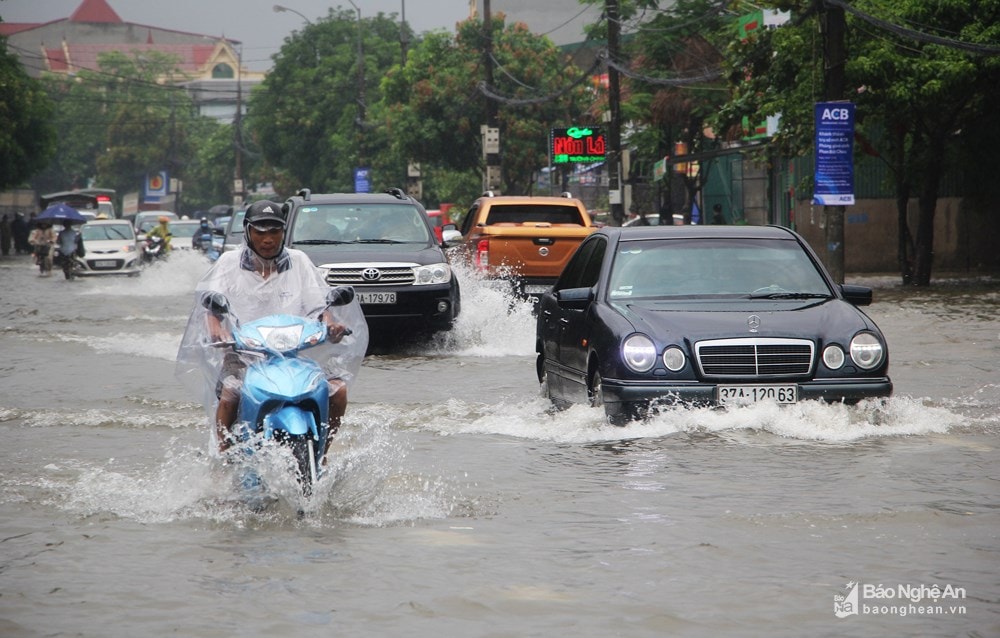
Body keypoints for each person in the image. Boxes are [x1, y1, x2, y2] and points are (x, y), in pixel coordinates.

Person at [177, 200, 366, 457]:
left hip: (299, 355)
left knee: (338, 391)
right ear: (248, 232)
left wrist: (331, 324)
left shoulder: (299, 261)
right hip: (245, 354)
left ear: (283, 233)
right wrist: (217, 331)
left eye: (275, 232)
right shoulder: (228, 262)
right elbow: (212, 306)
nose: (268, 239)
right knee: (231, 393)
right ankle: (222, 458)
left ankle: (322, 455)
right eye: (260, 232)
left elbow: (319, 306)